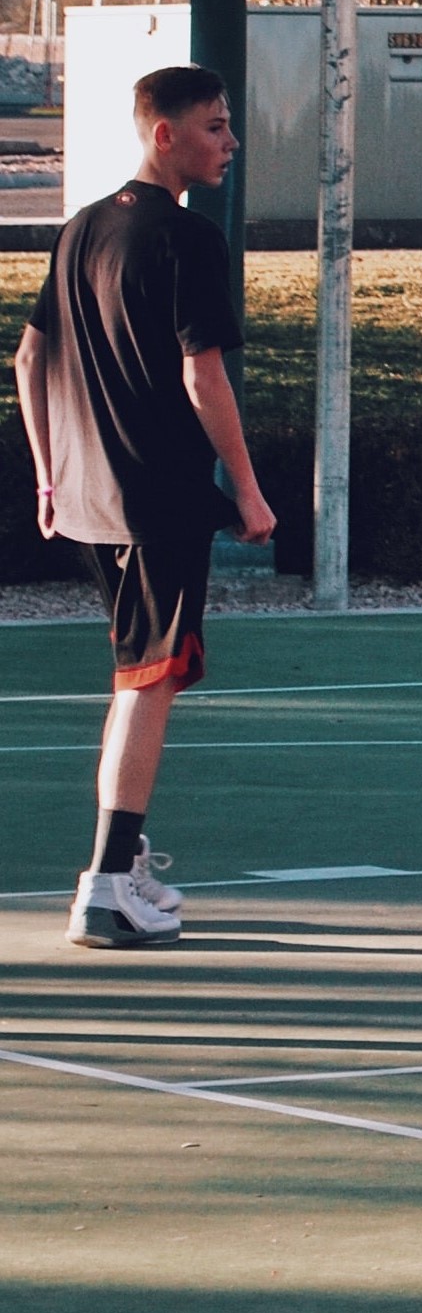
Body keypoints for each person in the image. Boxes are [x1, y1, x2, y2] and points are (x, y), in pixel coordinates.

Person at [16, 64, 277, 950]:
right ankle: (105, 882)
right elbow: (201, 373)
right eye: (214, 127)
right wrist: (244, 487)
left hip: (90, 499)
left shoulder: (81, 228)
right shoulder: (188, 240)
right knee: (147, 684)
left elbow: (27, 360)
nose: (229, 143)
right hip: (154, 499)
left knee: (139, 674)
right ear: (163, 134)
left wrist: (50, 478)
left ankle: (119, 866)